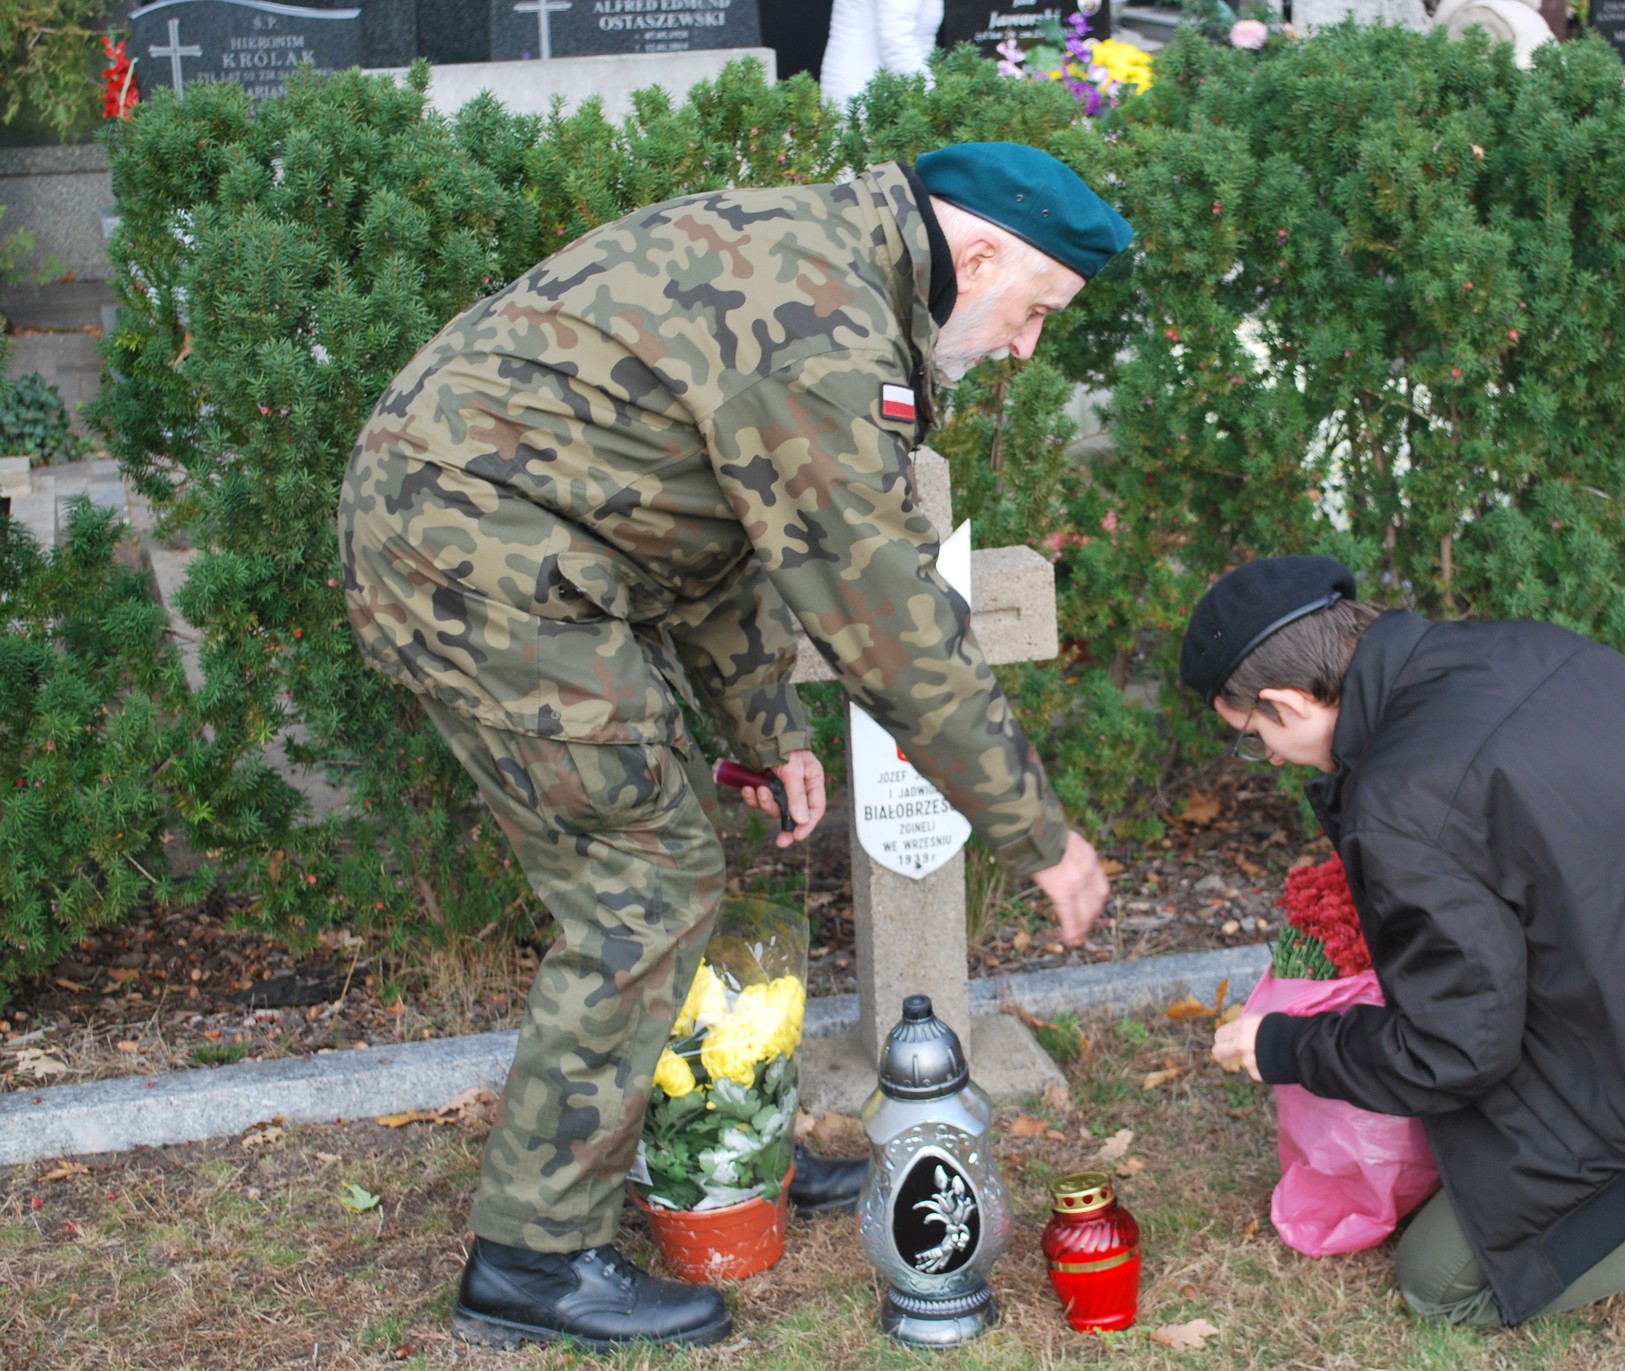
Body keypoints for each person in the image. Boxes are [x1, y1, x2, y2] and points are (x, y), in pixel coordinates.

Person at [336, 142, 1123, 1351]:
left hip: (503, 539)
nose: (1023, 346)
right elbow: (886, 616)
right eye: (1033, 313)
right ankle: (532, 1262)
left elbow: (700, 521)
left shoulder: (813, 259)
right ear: (975, 257)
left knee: (664, 870)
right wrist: (1039, 835)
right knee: (642, 888)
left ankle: (711, 1158)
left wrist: (760, 728)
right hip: (482, 563)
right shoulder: (822, 326)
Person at [1193, 556, 1625, 1327]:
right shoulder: (1515, 645)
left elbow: (1455, 1053)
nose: (1269, 759)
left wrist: (1285, 1044)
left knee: (1442, 1277)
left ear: (1287, 699)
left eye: (1253, 737)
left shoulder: (1397, 798)